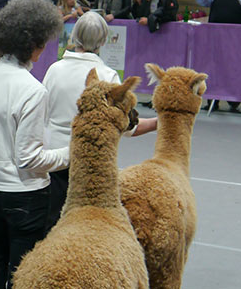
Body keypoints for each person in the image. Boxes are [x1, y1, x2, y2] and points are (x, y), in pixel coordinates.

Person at [0, 0, 71, 289]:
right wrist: (70, 154)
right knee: (23, 278)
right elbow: (29, 158)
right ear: (33, 43)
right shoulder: (34, 90)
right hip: (26, 197)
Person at [40, 11, 157, 228]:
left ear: (74, 36)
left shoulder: (53, 70)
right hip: (91, 162)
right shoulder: (108, 76)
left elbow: (41, 114)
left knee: (52, 223)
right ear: (103, 41)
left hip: (54, 159)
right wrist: (160, 122)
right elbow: (129, 129)